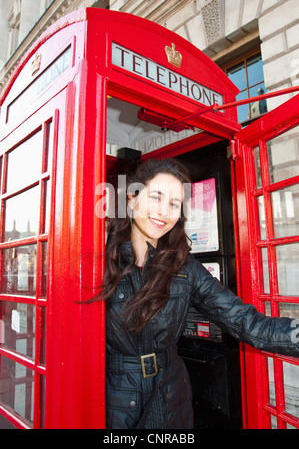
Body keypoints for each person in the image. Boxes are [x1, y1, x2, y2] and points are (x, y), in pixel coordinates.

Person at [92, 158, 299, 429]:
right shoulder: (99, 262)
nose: (163, 211)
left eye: (174, 204)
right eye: (156, 197)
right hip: (117, 401)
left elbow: (244, 321)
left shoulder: (184, 267)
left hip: (171, 398)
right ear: (132, 200)